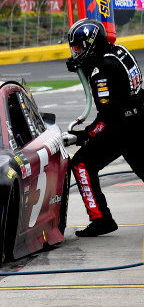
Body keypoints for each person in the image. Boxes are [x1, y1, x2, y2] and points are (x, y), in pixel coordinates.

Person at [66, 18, 144, 237]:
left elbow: (107, 118)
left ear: (92, 44)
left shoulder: (102, 71)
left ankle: (101, 219)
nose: (76, 52)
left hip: (125, 128)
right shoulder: (118, 51)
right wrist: (82, 64)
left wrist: (83, 135)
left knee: (81, 163)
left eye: (80, 47)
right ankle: (101, 219)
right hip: (135, 118)